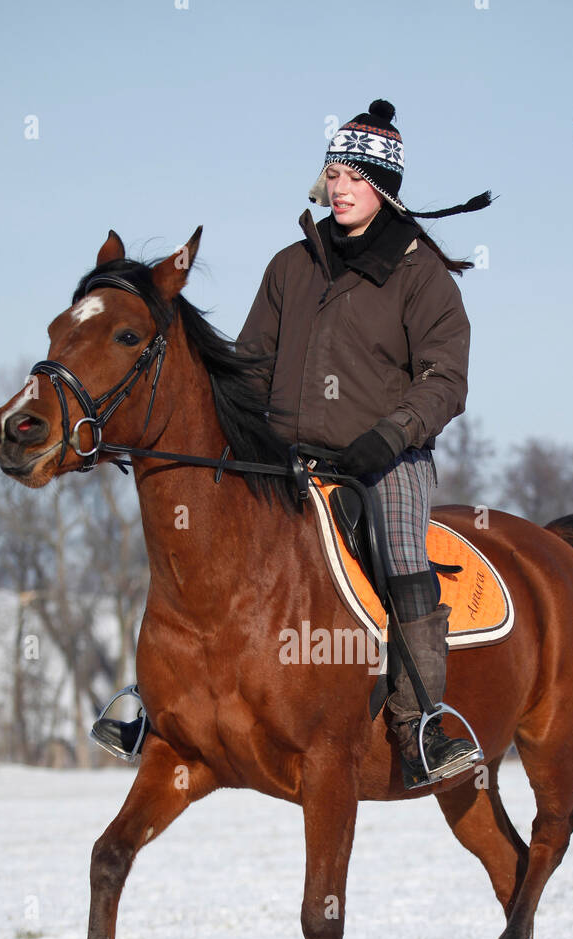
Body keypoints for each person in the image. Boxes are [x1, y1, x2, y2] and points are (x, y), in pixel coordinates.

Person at [92, 98, 493, 789]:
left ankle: (422, 721)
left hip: (385, 462)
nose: (337, 186)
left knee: (401, 554)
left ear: (384, 189)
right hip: (284, 462)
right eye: (332, 172)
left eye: (353, 174)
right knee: (194, 548)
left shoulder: (420, 275)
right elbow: (249, 362)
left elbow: (444, 381)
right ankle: (150, 703)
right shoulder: (290, 266)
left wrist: (389, 436)